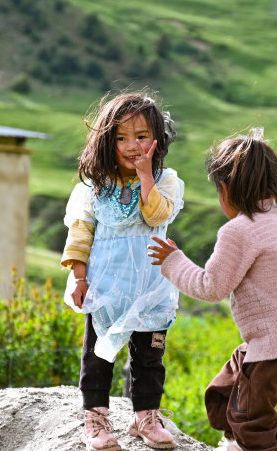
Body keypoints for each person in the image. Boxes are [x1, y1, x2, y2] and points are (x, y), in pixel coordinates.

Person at [148, 129, 277, 451]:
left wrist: (173, 262)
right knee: (226, 389)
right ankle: (232, 444)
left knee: (251, 417)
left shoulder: (239, 231)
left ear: (226, 189)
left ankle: (246, 441)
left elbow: (211, 287)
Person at [61, 91, 184, 450]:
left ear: (156, 140)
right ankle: (95, 420)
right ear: (105, 142)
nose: (132, 146)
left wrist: (146, 177)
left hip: (151, 287)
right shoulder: (94, 187)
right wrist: (79, 277)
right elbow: (80, 232)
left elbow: (156, 215)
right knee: (97, 356)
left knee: (150, 357)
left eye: (141, 136)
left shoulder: (167, 181)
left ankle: (145, 416)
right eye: (121, 138)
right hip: (105, 286)